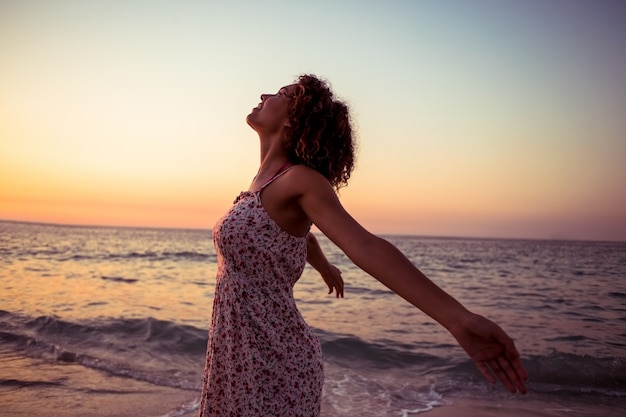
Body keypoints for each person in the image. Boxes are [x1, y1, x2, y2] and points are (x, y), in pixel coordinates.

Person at [198, 74, 528, 417]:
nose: (265, 94)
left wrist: (457, 319)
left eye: (281, 93)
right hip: (236, 354)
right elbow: (292, 235)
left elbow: (365, 246)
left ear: (295, 118)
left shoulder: (301, 180)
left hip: (275, 359)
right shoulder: (262, 185)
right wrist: (325, 268)